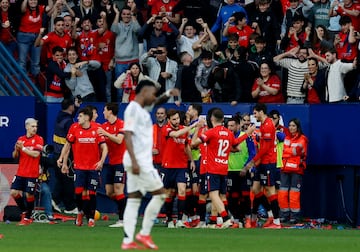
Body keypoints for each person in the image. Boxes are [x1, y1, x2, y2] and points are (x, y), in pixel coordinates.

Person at [120, 80, 178, 249]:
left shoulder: (142, 109)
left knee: (134, 199)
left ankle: (127, 240)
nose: (153, 97)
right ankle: (144, 233)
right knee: (160, 194)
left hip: (136, 161)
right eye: (152, 93)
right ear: (143, 91)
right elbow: (127, 135)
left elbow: (156, 101)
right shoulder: (132, 109)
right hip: (140, 162)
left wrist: (167, 94)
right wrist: (135, 160)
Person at [191, 108, 255, 228]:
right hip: (224, 168)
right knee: (221, 195)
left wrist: (198, 128)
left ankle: (226, 218)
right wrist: (247, 134)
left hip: (213, 168)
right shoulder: (228, 133)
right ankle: (219, 219)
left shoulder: (211, 132)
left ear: (212, 119)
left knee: (213, 194)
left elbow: (194, 144)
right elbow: (236, 146)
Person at [57, 107, 108, 227]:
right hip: (79, 167)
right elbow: (67, 145)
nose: (78, 118)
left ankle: (91, 219)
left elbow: (105, 147)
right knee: (79, 193)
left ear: (86, 117)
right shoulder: (74, 127)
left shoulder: (97, 129)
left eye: (80, 116)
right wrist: (62, 161)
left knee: (91, 193)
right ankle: (80, 213)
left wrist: (101, 161)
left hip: (93, 167)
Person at [243, 103, 281, 229]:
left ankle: (276, 221)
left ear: (261, 112)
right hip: (262, 162)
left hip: (268, 162)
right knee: (255, 189)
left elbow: (265, 148)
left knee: (270, 190)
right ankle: (270, 215)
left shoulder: (268, 125)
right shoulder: (264, 125)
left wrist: (252, 162)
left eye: (255, 113)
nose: (254, 116)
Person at [160, 109, 197, 228]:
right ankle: (170, 219)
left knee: (182, 190)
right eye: (174, 119)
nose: (176, 121)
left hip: (181, 166)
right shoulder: (166, 129)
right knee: (169, 194)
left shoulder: (183, 129)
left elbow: (187, 146)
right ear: (169, 120)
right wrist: (194, 125)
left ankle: (180, 219)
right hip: (168, 166)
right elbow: (176, 135)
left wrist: (191, 160)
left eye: (177, 118)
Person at [97, 102, 127, 228]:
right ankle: (125, 208)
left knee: (119, 189)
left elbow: (119, 140)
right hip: (110, 162)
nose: (103, 113)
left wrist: (106, 133)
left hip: (121, 162)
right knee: (109, 192)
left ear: (110, 111)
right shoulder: (104, 126)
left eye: (104, 110)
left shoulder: (122, 124)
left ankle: (122, 219)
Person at [11, 118, 44, 225]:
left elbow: (36, 154)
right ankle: (25, 212)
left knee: (29, 195)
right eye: (33, 126)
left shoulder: (39, 139)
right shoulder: (21, 139)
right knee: (14, 192)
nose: (35, 129)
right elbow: (15, 156)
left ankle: (27, 218)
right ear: (27, 127)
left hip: (32, 173)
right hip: (21, 172)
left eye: (36, 126)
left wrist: (23, 148)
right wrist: (17, 149)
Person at [51, 98, 78, 215]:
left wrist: (75, 106)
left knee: (61, 180)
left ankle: (54, 200)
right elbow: (69, 141)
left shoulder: (60, 116)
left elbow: (69, 115)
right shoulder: (68, 122)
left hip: (57, 153)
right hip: (65, 153)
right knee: (67, 181)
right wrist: (66, 160)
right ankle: (70, 206)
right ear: (70, 107)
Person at [278, 118, 308, 224]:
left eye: (293, 126)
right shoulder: (286, 138)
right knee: (282, 193)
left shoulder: (303, 139)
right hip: (285, 168)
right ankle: (284, 215)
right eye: (290, 125)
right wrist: (290, 152)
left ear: (298, 127)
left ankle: (295, 216)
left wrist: (287, 151)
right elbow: (284, 151)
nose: (291, 127)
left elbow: (298, 151)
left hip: (297, 169)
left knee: (294, 193)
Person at [152, 107, 167, 171]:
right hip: (154, 162)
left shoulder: (169, 128)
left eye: (161, 113)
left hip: (167, 162)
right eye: (158, 113)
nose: (159, 115)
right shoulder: (151, 128)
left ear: (165, 115)